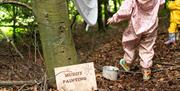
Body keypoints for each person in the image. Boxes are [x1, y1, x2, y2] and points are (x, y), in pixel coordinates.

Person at [107, 0, 165, 80]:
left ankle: (127, 62)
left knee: (129, 44)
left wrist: (115, 17)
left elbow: (125, 11)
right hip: (151, 25)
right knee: (147, 47)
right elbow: (162, 4)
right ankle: (146, 70)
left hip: (136, 25)